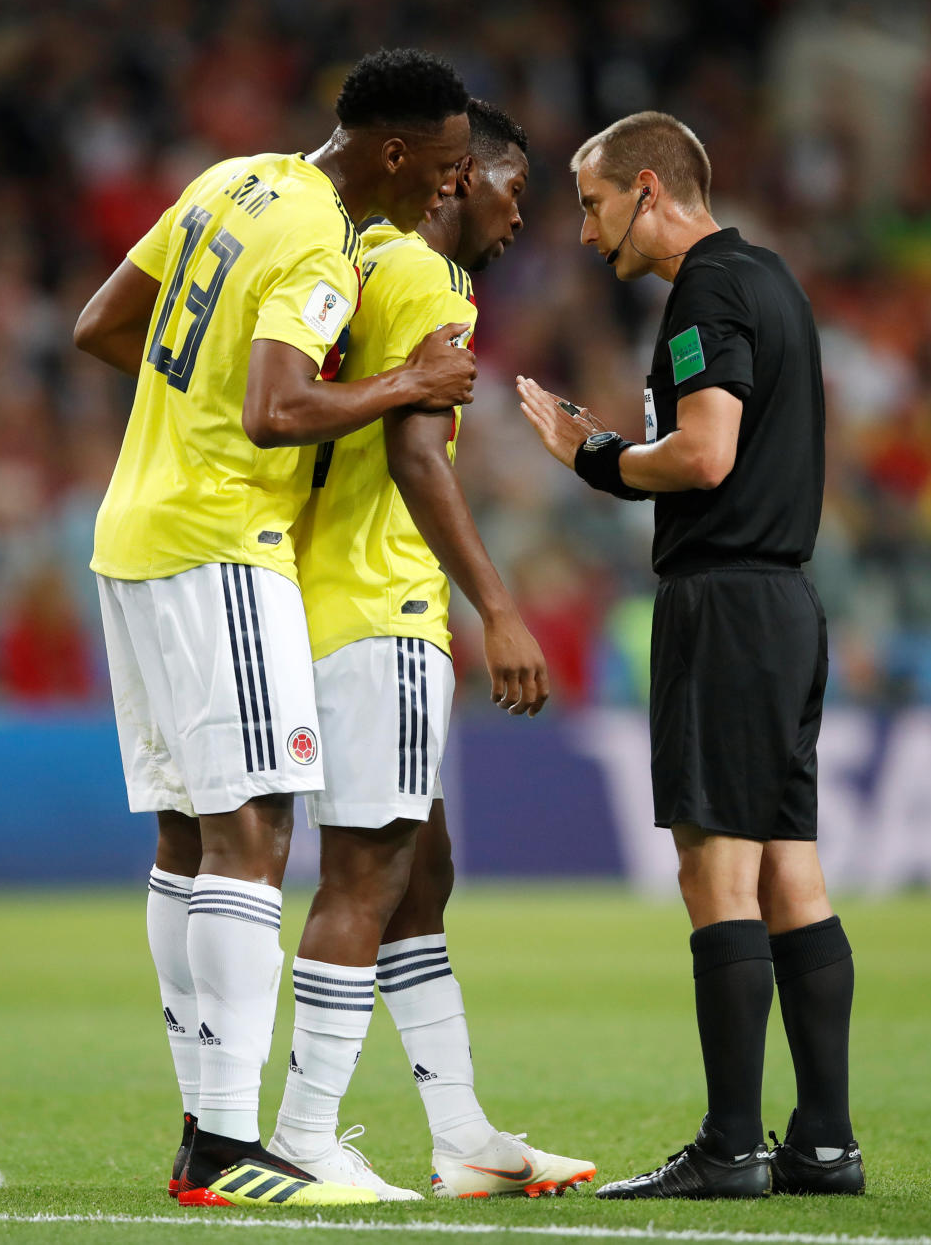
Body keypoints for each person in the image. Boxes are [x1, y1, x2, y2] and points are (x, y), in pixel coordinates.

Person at [73, 47, 477, 1210]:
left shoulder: (230, 180)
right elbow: (275, 408)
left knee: (189, 842)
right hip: (221, 543)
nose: (444, 190)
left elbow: (108, 324)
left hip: (132, 532)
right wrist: (403, 387)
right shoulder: (319, 235)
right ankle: (234, 1146)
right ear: (393, 150)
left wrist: (181, 403)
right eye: (441, 166)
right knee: (255, 839)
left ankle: (205, 1126)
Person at [518, 111, 864, 1200]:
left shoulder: (705, 291)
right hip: (786, 605)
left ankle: (730, 1147)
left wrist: (597, 456)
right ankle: (822, 1143)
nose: (585, 233)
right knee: (790, 874)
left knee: (716, 873)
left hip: (723, 604)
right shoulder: (773, 281)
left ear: (651, 189)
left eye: (594, 202)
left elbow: (707, 455)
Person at [266, 99, 595, 1200]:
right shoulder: (429, 277)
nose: (518, 219)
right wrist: (498, 608)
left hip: (326, 604)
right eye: (511, 191)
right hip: (380, 612)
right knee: (369, 874)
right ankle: (305, 1134)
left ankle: (462, 1134)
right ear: (460, 180)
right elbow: (418, 452)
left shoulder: (359, 254)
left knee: (423, 869)